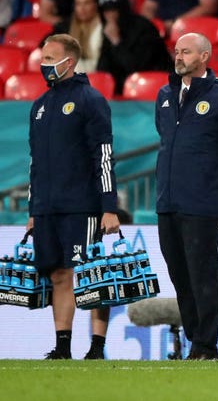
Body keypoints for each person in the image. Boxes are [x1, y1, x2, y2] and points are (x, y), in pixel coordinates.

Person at [27, 33, 120, 360]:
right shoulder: (39, 106)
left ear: (70, 61)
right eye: (43, 57)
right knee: (59, 273)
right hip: (48, 207)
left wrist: (109, 206)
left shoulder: (90, 99)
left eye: (51, 58)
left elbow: (104, 154)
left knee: (92, 272)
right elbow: (34, 163)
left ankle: (97, 346)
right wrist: (32, 208)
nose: (44, 64)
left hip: (84, 205)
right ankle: (63, 345)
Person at [155, 32, 218, 360]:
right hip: (167, 201)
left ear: (204, 56)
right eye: (177, 51)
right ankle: (196, 341)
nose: (178, 57)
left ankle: (206, 345)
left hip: (202, 203)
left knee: (202, 273)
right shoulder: (165, 94)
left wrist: (217, 181)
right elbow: (166, 140)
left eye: (186, 52)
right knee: (179, 274)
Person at [97, 0, 172, 95]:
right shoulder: (109, 30)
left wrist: (117, 42)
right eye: (106, 11)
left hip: (154, 90)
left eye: (113, 10)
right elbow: (102, 69)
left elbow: (136, 68)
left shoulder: (144, 28)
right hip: (121, 94)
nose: (110, 16)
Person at [50, 0, 103, 73]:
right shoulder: (66, 26)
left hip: (96, 72)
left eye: (87, 3)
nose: (82, 8)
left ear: (95, 5)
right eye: (78, 4)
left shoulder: (103, 27)